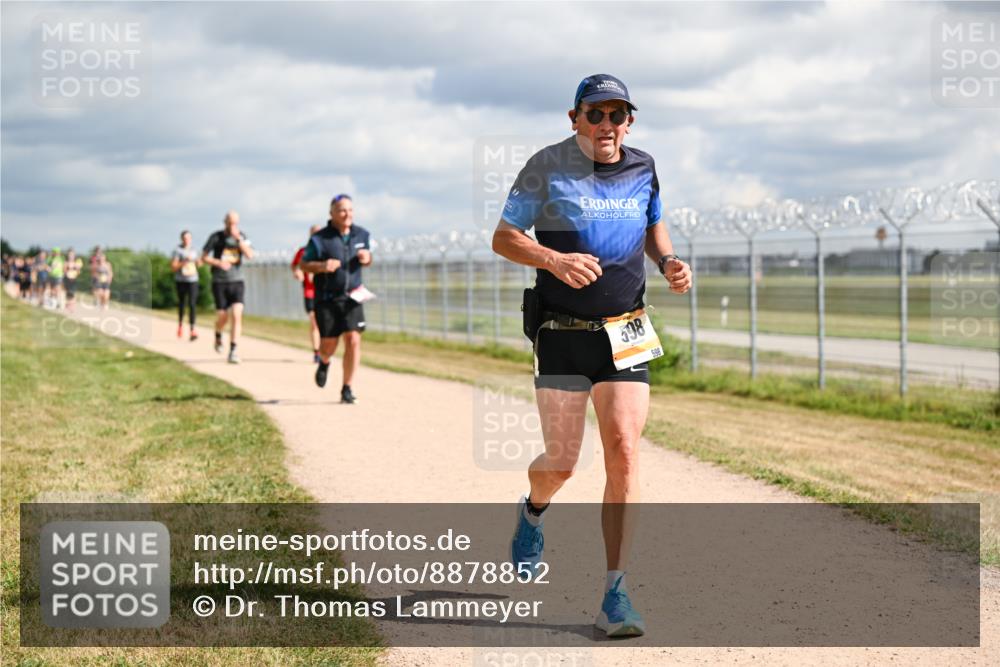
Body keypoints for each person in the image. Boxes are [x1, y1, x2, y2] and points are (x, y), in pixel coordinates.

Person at [491, 74, 692, 638]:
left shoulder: (643, 165)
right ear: (574, 117)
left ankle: (615, 590)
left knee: (624, 450)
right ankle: (533, 511)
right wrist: (554, 261)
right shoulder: (546, 166)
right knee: (561, 462)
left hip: (626, 327)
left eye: (618, 114)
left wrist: (670, 260)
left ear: (630, 121)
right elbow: (504, 237)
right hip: (561, 330)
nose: (608, 125)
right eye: (596, 114)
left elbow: (653, 223)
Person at [299, 194, 372, 404]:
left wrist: (367, 259)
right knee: (329, 344)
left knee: (354, 339)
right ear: (332, 213)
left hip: (353, 297)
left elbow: (368, 258)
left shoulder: (362, 235)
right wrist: (322, 266)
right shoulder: (320, 239)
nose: (347, 214)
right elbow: (304, 265)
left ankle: (347, 388)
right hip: (328, 299)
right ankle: (324, 361)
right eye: (342, 210)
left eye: (350, 209)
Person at [202, 210, 254, 363]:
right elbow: (203, 257)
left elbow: (250, 255)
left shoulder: (242, 236)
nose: (232, 226)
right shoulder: (216, 237)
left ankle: (233, 350)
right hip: (219, 281)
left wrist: (239, 241)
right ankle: (218, 332)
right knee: (222, 317)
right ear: (225, 222)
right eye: (230, 223)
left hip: (237, 281)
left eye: (235, 223)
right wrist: (218, 262)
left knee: (237, 314)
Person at [291, 225, 323, 362]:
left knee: (324, 324)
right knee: (314, 321)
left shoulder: (326, 250)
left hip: (324, 291)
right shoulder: (303, 251)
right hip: (309, 292)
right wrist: (297, 272)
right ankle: (317, 352)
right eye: (313, 233)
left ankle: (324, 350)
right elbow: (294, 265)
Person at [171, 230, 201, 341]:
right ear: (181, 239)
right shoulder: (177, 250)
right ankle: (180, 325)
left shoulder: (194, 250)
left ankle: (193, 329)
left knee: (192, 304)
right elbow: (173, 267)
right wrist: (184, 261)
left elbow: (199, 264)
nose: (186, 240)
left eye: (188, 238)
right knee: (182, 304)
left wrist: (198, 262)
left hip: (193, 280)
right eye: (184, 238)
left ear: (191, 239)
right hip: (181, 280)